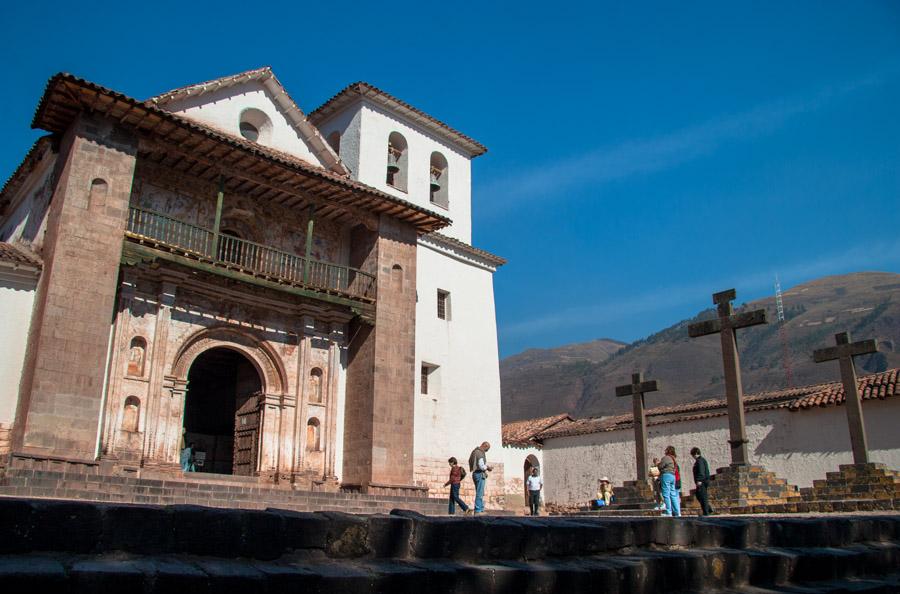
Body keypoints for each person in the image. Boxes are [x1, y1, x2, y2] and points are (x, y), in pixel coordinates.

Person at [468, 441, 493, 514]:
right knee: (480, 493)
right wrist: (488, 468)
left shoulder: (474, 452)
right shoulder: (480, 453)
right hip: (479, 474)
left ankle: (481, 509)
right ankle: (478, 510)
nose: (486, 451)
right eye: (486, 449)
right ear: (484, 446)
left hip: (475, 473)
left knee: (479, 492)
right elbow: (481, 466)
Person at [657, 446, 681, 517]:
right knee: (673, 494)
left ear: (668, 451)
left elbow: (661, 466)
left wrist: (658, 463)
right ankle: (677, 512)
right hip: (672, 476)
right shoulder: (674, 459)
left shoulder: (666, 458)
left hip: (666, 475)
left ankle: (669, 512)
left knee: (666, 494)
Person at [690, 447, 714, 516]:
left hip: (702, 481)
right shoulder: (700, 460)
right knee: (699, 495)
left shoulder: (700, 461)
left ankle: (706, 512)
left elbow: (701, 471)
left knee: (702, 496)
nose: (693, 457)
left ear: (696, 454)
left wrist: (699, 480)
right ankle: (708, 509)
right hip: (703, 480)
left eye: (693, 455)